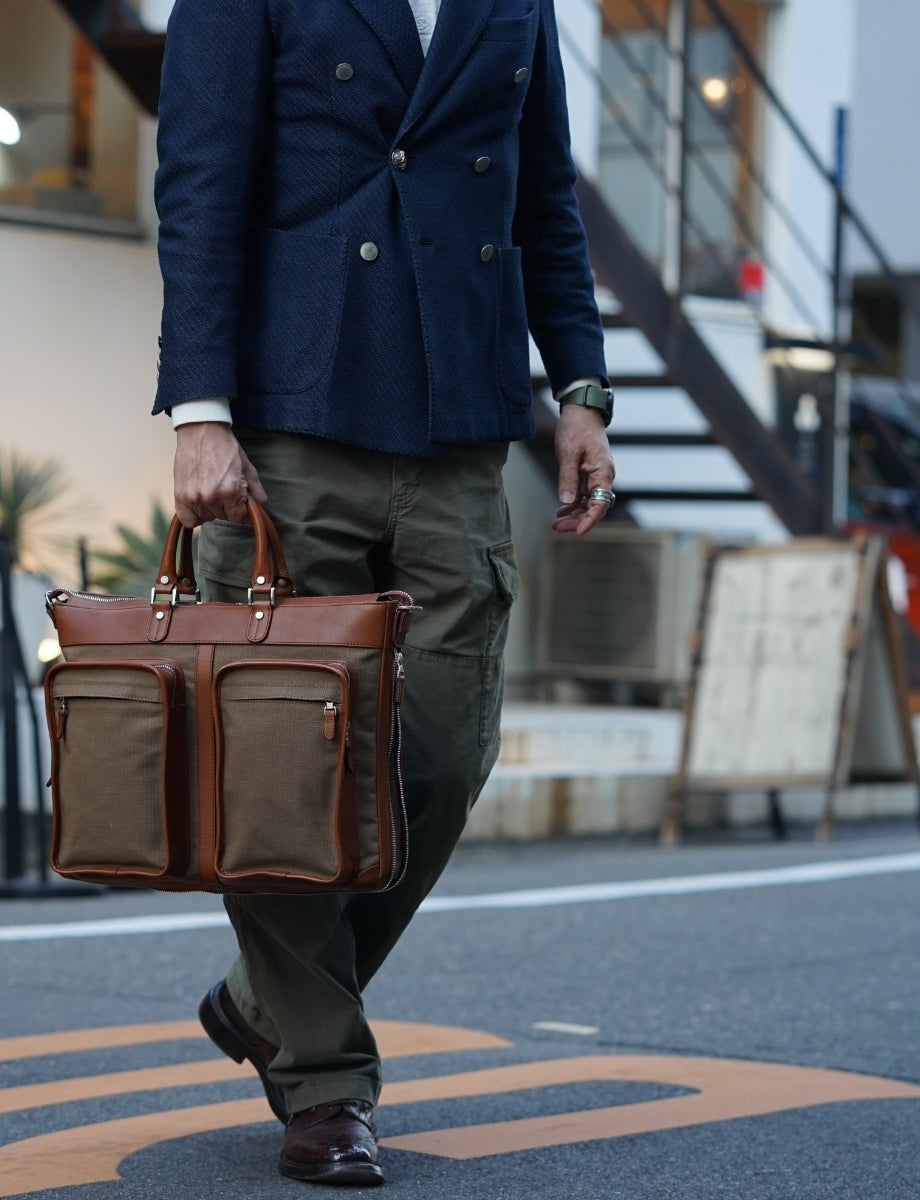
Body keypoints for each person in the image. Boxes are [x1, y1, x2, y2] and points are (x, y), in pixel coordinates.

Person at [153, 0, 615, 1186]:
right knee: (278, 770)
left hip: (460, 417)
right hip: (289, 418)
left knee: (446, 753)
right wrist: (200, 410)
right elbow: (201, 179)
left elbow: (541, 193)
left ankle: (268, 997)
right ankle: (325, 1081)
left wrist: (580, 387)